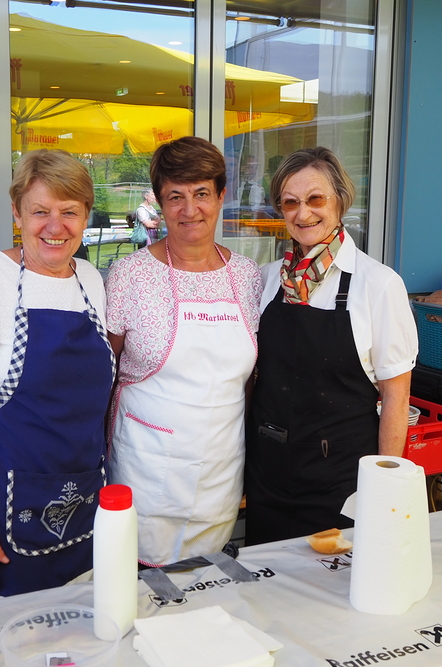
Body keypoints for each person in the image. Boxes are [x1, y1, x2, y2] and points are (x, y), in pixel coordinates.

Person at [0, 149, 114, 605]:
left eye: (69, 212)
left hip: (82, 513)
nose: (55, 226)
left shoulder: (91, 280)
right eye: (40, 212)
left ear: (86, 216)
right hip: (1, 526)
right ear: (17, 212)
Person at [245, 147, 418, 546]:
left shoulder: (378, 284)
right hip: (268, 476)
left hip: (340, 482)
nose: (303, 213)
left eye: (315, 199)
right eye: (290, 203)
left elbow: (396, 398)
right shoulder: (267, 280)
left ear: (340, 200)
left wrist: (384, 489)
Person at [106, 136, 263, 566]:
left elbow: (249, 380)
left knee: (205, 583)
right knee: (139, 588)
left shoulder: (247, 276)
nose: (190, 209)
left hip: (220, 470)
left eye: (201, 194)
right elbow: (104, 373)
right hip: (145, 469)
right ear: (160, 202)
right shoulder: (129, 274)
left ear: (221, 196)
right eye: (175, 196)